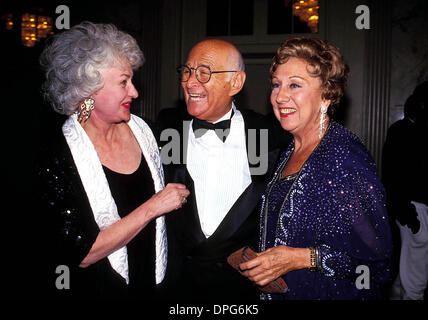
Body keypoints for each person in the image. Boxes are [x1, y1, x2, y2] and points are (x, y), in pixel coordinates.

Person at [35, 21, 189, 299]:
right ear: (88, 89)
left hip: (157, 288)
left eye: (131, 80)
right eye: (123, 82)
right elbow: (83, 253)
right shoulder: (57, 154)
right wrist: (153, 207)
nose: (135, 92)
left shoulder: (149, 134)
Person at [239, 37, 392, 300]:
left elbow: (377, 264)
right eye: (276, 84)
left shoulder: (344, 158)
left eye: (294, 85)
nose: (280, 95)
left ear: (326, 95)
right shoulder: (291, 149)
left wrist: (301, 258)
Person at [157, 39, 291, 301]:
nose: (190, 82)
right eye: (186, 71)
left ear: (236, 83)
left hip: (242, 291)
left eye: (203, 73)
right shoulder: (167, 129)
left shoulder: (269, 136)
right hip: (178, 288)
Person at [382, 82, 428, 300]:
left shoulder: (409, 130)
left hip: (411, 207)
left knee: (410, 265)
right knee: (416, 267)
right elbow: (394, 174)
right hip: (412, 207)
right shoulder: (404, 131)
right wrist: (405, 209)